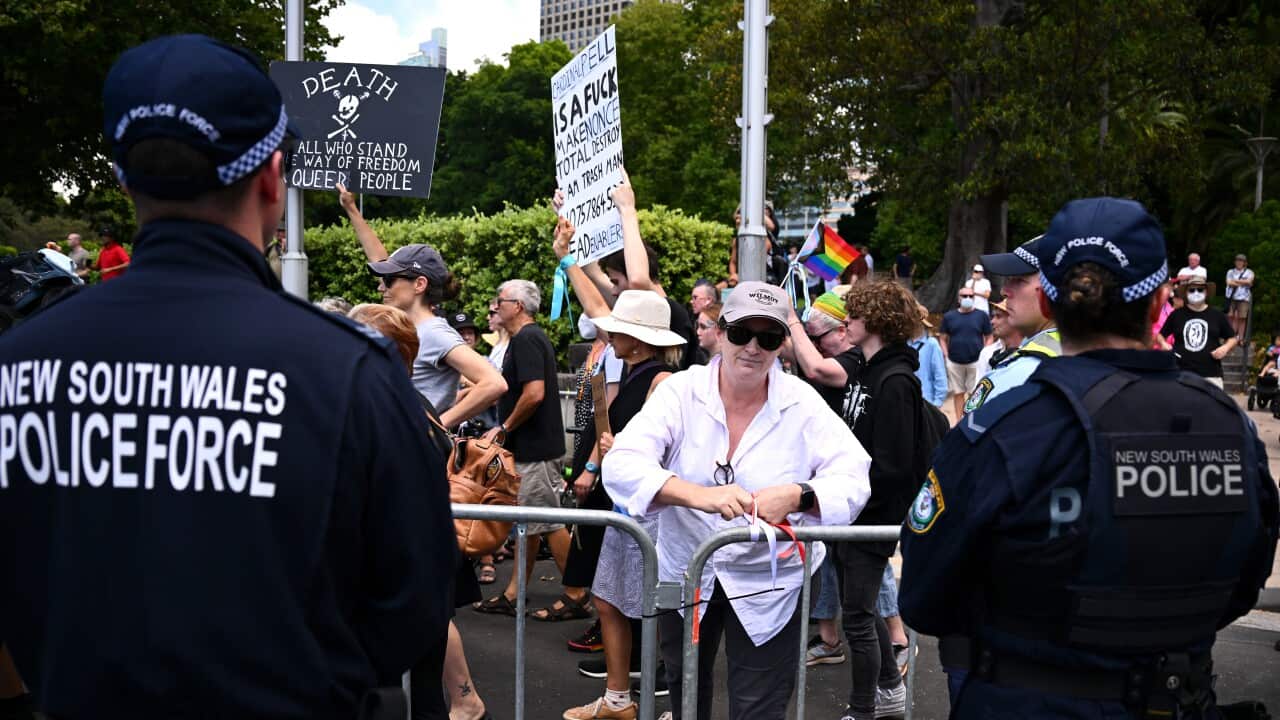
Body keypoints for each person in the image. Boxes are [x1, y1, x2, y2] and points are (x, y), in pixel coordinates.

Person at [0, 34, 455, 717]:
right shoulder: (348, 371)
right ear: (272, 178)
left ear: (126, 181)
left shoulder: (18, 367)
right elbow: (414, 601)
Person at [900, 196, 1280, 720]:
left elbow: (923, 594)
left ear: (1048, 302)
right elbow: (1243, 582)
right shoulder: (1230, 428)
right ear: (1160, 304)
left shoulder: (1005, 429)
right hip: (1173, 696)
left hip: (1024, 701)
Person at [603, 281, 872, 720]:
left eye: (769, 337)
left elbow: (854, 477)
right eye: (742, 333)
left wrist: (799, 495)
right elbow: (622, 463)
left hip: (772, 581)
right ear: (721, 331)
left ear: (782, 344)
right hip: (687, 567)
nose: (753, 347)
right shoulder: (681, 391)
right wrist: (698, 495)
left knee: (759, 703)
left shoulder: (802, 402)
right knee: (686, 690)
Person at [348, 303, 492, 720]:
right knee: (422, 684)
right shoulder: (411, 403)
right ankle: (467, 703)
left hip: (403, 569)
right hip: (420, 566)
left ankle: (467, 704)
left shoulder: (391, 409)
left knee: (401, 686)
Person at [563, 290, 685, 720]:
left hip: (652, 515)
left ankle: (680, 704)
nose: (610, 337)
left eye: (618, 331)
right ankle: (618, 700)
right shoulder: (632, 376)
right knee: (609, 600)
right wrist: (600, 462)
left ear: (638, 338)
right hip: (626, 509)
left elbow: (666, 449)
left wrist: (618, 452)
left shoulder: (663, 382)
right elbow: (613, 436)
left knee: (664, 612)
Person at [336, 184, 506, 428]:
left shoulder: (435, 332)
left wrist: (436, 426)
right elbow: (378, 258)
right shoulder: (407, 325)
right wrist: (351, 208)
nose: (381, 287)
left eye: (388, 280)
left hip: (414, 447)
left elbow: (494, 383)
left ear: (419, 284)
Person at [474, 279, 577, 617]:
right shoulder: (528, 338)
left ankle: (577, 593)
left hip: (536, 450)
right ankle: (514, 593)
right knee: (531, 523)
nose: (495, 306)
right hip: (535, 448)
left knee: (547, 521)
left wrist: (504, 428)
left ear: (517, 306)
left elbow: (534, 393)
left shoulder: (526, 339)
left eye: (500, 301)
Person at [588, 173, 699, 370]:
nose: (613, 291)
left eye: (615, 282)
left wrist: (627, 209)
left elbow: (637, 280)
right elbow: (594, 274)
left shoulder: (671, 314)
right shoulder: (638, 310)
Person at [1157, 277, 1237, 389]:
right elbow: (1160, 335)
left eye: (1200, 289)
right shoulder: (1176, 315)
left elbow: (1232, 338)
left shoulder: (1217, 315)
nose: (1196, 293)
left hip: (1211, 375)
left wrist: (1225, 348)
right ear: (1186, 293)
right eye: (1192, 290)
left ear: (1206, 292)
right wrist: (1163, 344)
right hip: (1180, 374)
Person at [939, 288, 992, 420]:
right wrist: (946, 355)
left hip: (976, 361)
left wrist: (985, 353)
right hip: (954, 361)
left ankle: (971, 421)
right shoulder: (949, 316)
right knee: (958, 393)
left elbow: (989, 336)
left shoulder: (981, 316)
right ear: (959, 298)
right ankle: (959, 422)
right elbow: (942, 337)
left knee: (975, 394)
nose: (967, 298)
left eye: (970, 296)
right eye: (964, 295)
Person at [908, 304, 948, 409]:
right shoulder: (904, 343)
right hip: (907, 401)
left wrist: (937, 403)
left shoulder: (931, 344)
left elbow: (940, 375)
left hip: (926, 401)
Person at [974, 301, 1020, 378]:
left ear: (1014, 320)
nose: (992, 321)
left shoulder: (1029, 352)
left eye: (998, 316)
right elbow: (979, 383)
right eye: (993, 316)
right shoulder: (987, 353)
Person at [1225, 254, 1254, 341]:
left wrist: (1235, 281)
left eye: (1241, 261)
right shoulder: (1230, 272)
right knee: (1229, 316)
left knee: (1242, 318)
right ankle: (1229, 336)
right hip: (1231, 297)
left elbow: (1249, 281)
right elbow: (1229, 282)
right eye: (1237, 260)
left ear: (1245, 263)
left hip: (1244, 298)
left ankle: (1240, 338)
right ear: (1235, 262)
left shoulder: (1249, 272)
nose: (1239, 262)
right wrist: (1244, 282)